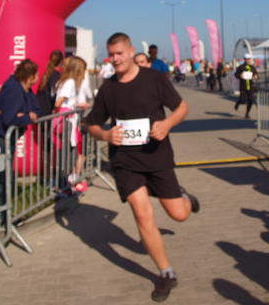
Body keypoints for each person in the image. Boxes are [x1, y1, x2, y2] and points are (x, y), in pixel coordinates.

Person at [86, 33, 199, 302]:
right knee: (141, 213)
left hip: (157, 157)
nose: (115, 59)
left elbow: (182, 107)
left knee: (178, 214)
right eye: (111, 54)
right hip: (125, 162)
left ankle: (185, 198)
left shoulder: (154, 79)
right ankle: (166, 273)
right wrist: (105, 135)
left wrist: (167, 124)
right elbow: (92, 125)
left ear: (131, 51)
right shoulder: (108, 88)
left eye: (119, 53)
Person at [0, 59, 41, 225]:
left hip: (8, 139)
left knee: (6, 178)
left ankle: (5, 215)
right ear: (30, 76)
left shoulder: (26, 90)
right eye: (36, 74)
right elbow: (9, 119)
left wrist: (26, 116)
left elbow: (37, 109)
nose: (38, 77)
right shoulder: (13, 90)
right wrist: (27, 118)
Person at [53, 56, 92, 189]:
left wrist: (76, 105)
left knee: (69, 152)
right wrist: (69, 109)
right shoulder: (70, 82)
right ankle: (66, 183)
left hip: (66, 119)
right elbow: (59, 102)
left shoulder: (65, 81)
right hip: (67, 120)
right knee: (69, 152)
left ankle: (68, 182)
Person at [36, 49, 64, 116]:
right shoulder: (55, 76)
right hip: (47, 112)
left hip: (41, 110)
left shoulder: (47, 74)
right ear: (61, 61)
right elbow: (53, 94)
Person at [234, 54, 258, 119]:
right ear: (244, 59)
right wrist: (240, 75)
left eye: (248, 59)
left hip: (250, 86)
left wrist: (256, 76)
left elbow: (256, 75)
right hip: (243, 86)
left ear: (250, 59)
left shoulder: (252, 67)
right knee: (243, 100)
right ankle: (238, 103)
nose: (247, 60)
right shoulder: (241, 67)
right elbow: (236, 75)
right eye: (246, 59)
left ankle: (247, 113)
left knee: (250, 101)